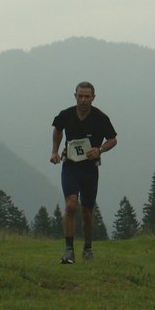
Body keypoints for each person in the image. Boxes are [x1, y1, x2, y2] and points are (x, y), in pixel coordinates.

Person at [50, 81, 117, 263]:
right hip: (70, 166)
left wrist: (100, 149)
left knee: (87, 212)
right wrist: (55, 151)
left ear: (93, 98)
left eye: (87, 97)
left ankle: (87, 248)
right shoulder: (66, 115)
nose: (83, 100)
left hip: (90, 169)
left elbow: (113, 139)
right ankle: (68, 249)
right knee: (71, 205)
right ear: (75, 96)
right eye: (80, 96)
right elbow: (57, 129)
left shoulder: (100, 118)